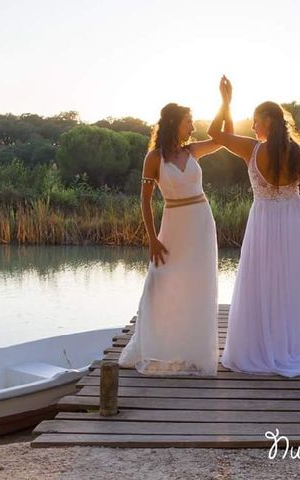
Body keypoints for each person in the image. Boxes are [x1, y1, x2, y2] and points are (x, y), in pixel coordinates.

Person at [208, 76, 300, 377]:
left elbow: (214, 133)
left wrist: (225, 103)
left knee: (261, 282)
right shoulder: (298, 153)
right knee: (289, 284)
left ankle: (261, 348)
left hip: (263, 220)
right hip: (294, 222)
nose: (252, 127)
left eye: (255, 122)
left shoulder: (251, 149)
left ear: (267, 122)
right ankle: (287, 347)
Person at [118, 96, 232, 376]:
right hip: (173, 224)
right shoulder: (153, 158)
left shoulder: (192, 151)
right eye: (188, 121)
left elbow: (221, 139)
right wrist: (152, 238)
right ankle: (159, 343)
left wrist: (226, 104)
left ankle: (194, 351)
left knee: (198, 283)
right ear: (173, 123)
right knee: (161, 281)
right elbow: (145, 201)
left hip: (201, 223)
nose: (192, 126)